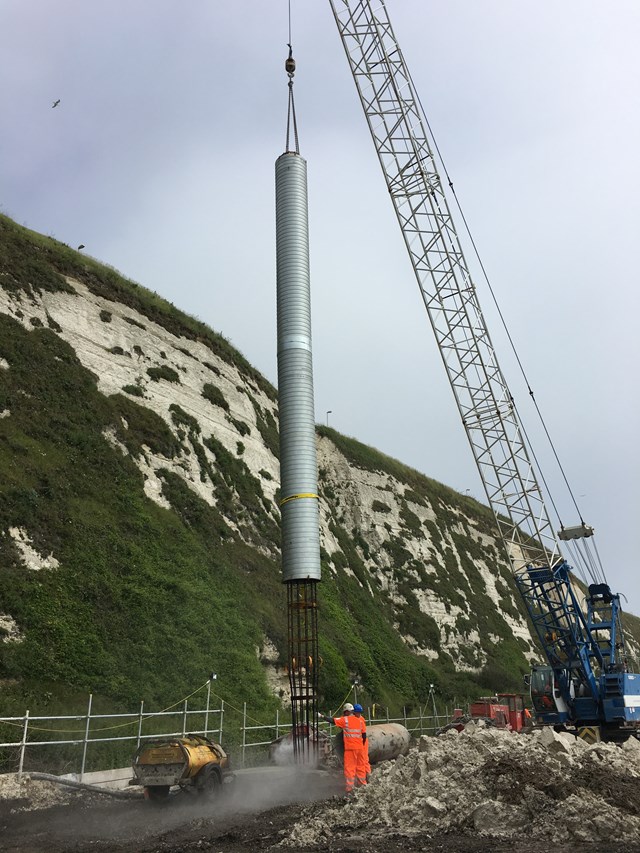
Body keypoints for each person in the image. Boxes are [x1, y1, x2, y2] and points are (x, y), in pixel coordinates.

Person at [322, 702, 367, 794]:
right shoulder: (360, 720)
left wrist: (322, 716)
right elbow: (364, 735)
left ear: (346, 712)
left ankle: (350, 788)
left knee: (350, 768)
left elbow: (332, 720)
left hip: (350, 748)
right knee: (360, 766)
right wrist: (361, 745)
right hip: (360, 748)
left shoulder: (345, 720)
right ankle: (362, 784)